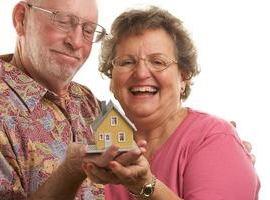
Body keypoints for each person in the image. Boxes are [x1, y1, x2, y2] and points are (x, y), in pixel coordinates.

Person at [0, 0, 145, 199]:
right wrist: (70, 171)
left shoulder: (86, 100)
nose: (76, 42)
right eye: (62, 21)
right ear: (21, 19)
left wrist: (140, 179)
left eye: (88, 30)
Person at [83, 6, 261, 199]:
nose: (141, 73)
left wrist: (146, 186)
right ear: (112, 79)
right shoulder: (100, 152)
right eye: (127, 62)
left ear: (183, 77)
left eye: (158, 62)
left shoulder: (215, 138)